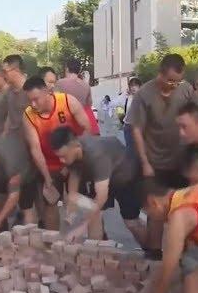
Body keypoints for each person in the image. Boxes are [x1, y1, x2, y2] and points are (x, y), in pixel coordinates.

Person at [124, 53, 195, 259]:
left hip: (180, 159)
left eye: (177, 81)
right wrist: (145, 162)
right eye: (170, 80)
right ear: (160, 74)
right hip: (154, 161)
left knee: (182, 206)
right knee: (156, 208)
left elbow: (194, 117)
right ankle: (154, 252)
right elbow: (136, 129)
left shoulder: (186, 89)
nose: (173, 85)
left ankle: (182, 256)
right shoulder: (144, 94)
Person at [50, 126, 146, 246]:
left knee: (131, 222)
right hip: (105, 178)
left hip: (126, 176)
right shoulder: (73, 154)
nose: (61, 161)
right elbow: (73, 193)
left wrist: (81, 228)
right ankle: (95, 252)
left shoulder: (96, 155)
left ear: (75, 146)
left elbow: (101, 197)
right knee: (93, 211)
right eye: (59, 157)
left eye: (63, 156)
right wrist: (70, 217)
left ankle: (153, 252)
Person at [22, 76, 96, 231]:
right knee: (50, 201)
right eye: (30, 101)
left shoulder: (68, 102)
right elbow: (35, 148)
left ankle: (91, 240)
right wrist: (47, 178)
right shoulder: (29, 115)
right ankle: (53, 242)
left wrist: (73, 162)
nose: (33, 105)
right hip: (50, 164)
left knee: (80, 201)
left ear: (47, 91)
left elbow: (88, 130)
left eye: (36, 99)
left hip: (75, 160)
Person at [55, 58, 99, 133]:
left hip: (65, 122)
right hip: (82, 123)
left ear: (67, 69)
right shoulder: (86, 86)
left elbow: (54, 102)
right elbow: (89, 104)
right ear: (79, 70)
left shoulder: (60, 83)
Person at [1, 54, 29, 135]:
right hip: (13, 140)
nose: (3, 75)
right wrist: (5, 134)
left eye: (5, 71)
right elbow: (10, 115)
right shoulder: (8, 91)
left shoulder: (30, 89)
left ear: (16, 69)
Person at [114, 77, 142, 154]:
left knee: (140, 149)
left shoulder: (143, 98)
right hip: (128, 126)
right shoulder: (127, 98)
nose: (133, 88)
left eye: (135, 85)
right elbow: (114, 103)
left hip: (139, 126)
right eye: (131, 86)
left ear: (139, 87)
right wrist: (123, 94)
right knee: (130, 149)